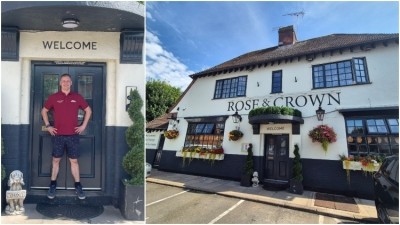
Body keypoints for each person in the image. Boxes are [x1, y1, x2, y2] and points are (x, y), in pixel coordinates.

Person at [41, 73, 92, 200]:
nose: (65, 83)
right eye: (63, 81)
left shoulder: (77, 97)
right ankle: (52, 185)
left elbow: (88, 110)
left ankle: (78, 186)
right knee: (55, 160)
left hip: (73, 135)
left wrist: (83, 125)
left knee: (74, 161)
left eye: (68, 81)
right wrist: (48, 126)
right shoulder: (54, 97)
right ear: (60, 83)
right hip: (57, 135)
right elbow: (44, 111)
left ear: (71, 83)